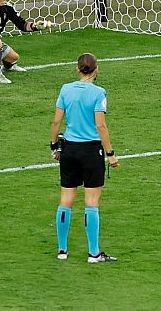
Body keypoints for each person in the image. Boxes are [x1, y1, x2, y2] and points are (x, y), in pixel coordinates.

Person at [50, 52, 120, 263]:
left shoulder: (65, 89)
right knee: (91, 202)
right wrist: (110, 154)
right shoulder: (98, 93)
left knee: (66, 199)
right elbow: (100, 125)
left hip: (69, 150)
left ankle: (62, 250)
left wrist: (54, 146)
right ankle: (93, 253)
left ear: (77, 68)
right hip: (91, 152)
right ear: (96, 69)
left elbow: (56, 122)